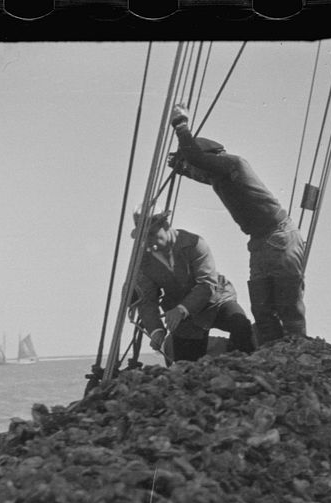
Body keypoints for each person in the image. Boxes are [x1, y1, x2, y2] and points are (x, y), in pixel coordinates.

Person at [166, 105, 306, 346]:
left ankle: (300, 357)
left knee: (288, 309)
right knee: (262, 311)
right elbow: (200, 170)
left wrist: (181, 126)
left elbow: (196, 159)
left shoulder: (234, 165)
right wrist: (182, 169)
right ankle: (274, 358)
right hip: (262, 241)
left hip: (279, 237)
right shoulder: (221, 175)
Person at [131, 208, 255, 364]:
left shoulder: (194, 244)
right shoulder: (144, 260)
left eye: (152, 234)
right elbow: (146, 299)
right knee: (185, 367)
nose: (150, 242)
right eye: (144, 237)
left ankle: (242, 369)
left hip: (216, 300)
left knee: (241, 325)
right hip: (185, 318)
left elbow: (206, 284)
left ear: (167, 226)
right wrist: (156, 330)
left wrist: (182, 309)